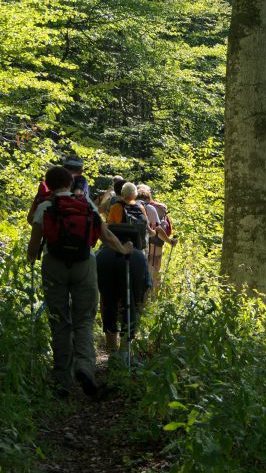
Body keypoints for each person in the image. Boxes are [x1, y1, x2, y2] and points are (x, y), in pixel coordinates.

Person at [27, 166, 132, 397]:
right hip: (84, 264)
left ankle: (62, 380)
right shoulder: (87, 206)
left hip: (54, 264)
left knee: (60, 320)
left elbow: (34, 245)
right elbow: (106, 235)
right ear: (69, 184)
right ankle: (85, 369)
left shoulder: (46, 206)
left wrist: (31, 259)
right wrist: (123, 249)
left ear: (50, 185)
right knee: (84, 319)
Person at [97, 182, 150, 355]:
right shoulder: (141, 208)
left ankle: (111, 347)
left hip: (111, 249)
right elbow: (146, 230)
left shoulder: (115, 206)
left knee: (108, 299)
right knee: (132, 300)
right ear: (134, 195)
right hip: (135, 249)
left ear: (122, 194)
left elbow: (108, 228)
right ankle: (126, 348)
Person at [138, 184, 177, 293]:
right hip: (156, 247)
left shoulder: (131, 206)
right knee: (154, 274)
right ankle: (152, 300)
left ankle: (144, 301)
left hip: (140, 246)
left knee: (143, 274)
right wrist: (170, 242)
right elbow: (159, 230)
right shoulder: (156, 208)